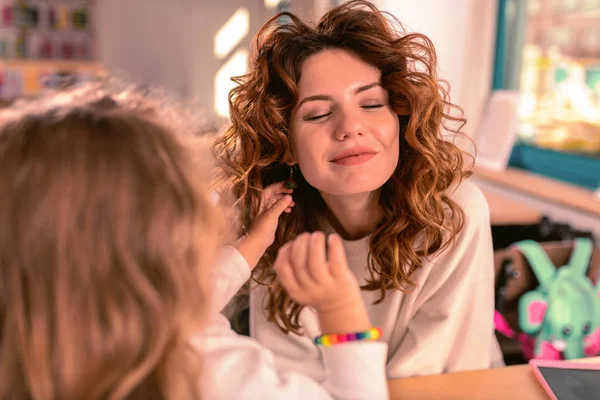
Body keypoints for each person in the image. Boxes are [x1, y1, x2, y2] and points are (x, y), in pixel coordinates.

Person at [0, 84, 388, 400]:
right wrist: (341, 311)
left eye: (372, 103)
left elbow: (193, 297)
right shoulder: (205, 369)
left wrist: (251, 244)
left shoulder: (39, 347)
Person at [212, 0, 504, 381]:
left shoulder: (453, 214)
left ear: (400, 117)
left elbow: (437, 379)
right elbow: (290, 379)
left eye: (370, 104)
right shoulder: (271, 222)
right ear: (284, 140)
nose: (350, 127)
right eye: (318, 114)